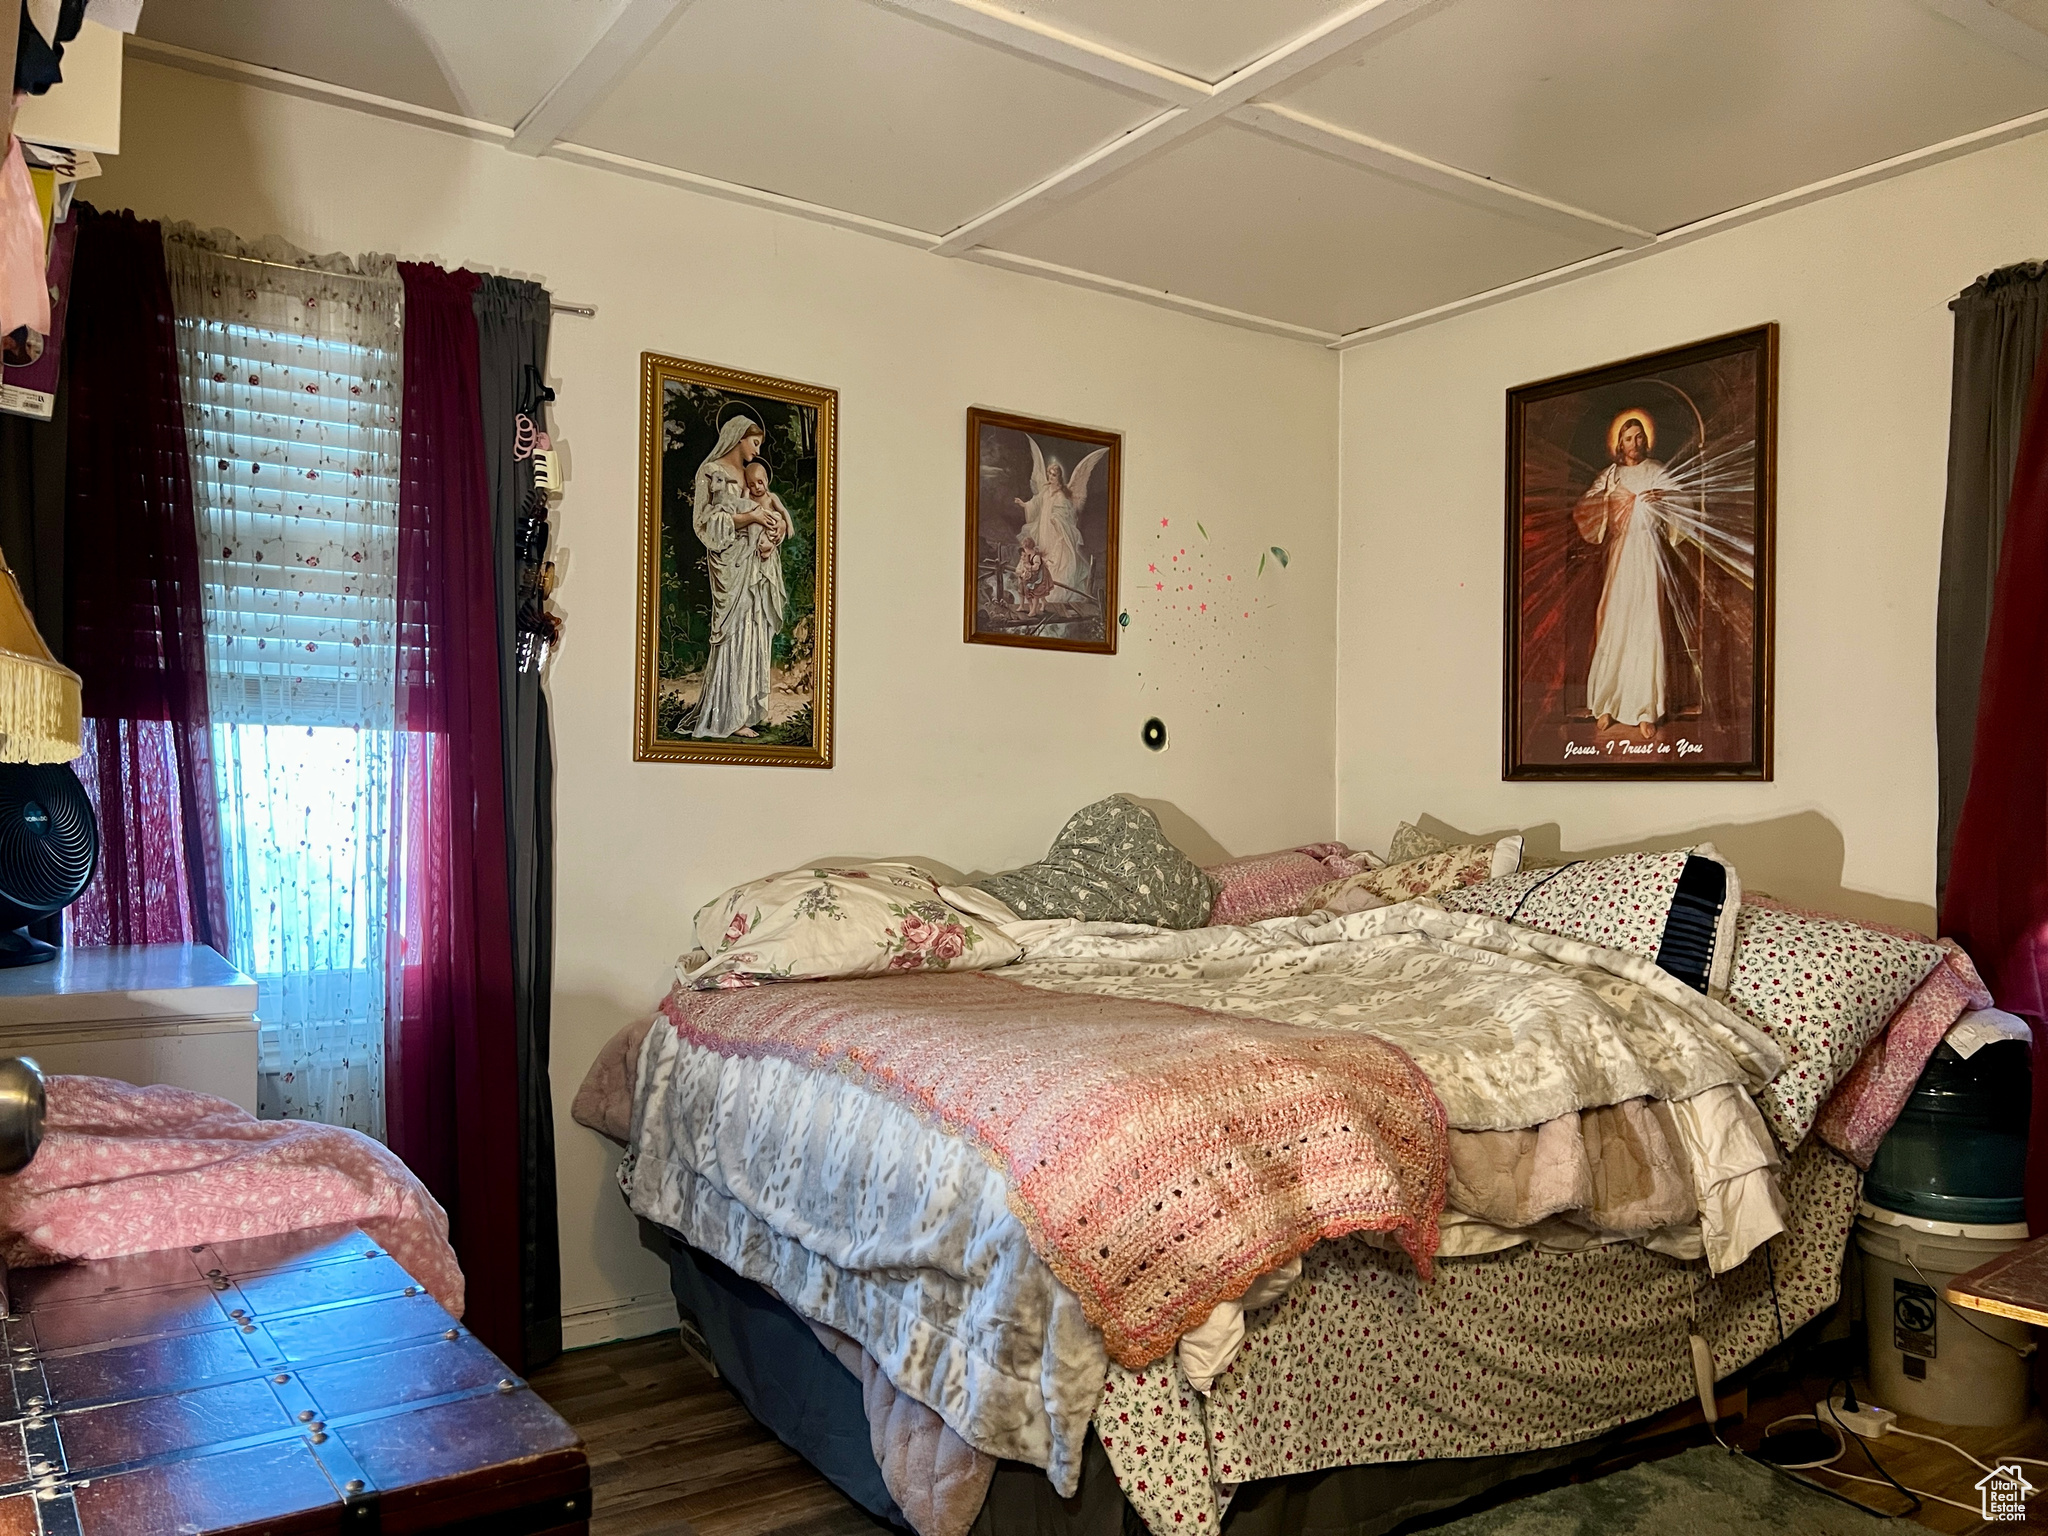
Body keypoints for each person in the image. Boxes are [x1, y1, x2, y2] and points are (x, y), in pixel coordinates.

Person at [1574, 414, 1682, 738]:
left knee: (1646, 626)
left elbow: (1684, 502)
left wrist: (1663, 500)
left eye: (1638, 437)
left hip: (1647, 554)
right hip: (1621, 556)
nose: (1633, 444)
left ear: (1644, 441)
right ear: (1618, 444)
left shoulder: (1656, 471)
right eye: (1627, 438)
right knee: (1616, 624)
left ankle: (1645, 708)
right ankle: (1607, 703)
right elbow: (1586, 508)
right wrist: (1608, 500)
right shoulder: (1610, 475)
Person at [691, 415, 785, 740]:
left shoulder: (750, 477)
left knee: (754, 631)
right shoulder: (711, 471)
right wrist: (749, 517)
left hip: (756, 566)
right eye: (755, 442)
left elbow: (771, 512)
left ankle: (744, 710)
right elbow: (704, 523)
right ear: (739, 437)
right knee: (735, 633)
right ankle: (725, 714)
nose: (757, 450)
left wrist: (775, 534)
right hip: (730, 567)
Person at [1015, 437, 1109, 628]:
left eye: (1053, 476)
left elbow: (1067, 513)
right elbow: (1036, 503)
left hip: (1056, 531)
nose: (1050, 479)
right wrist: (1024, 504)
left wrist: (1056, 520)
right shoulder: (1046, 490)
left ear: (1059, 477)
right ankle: (1037, 592)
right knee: (1041, 555)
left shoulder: (1064, 494)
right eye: (1049, 475)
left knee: (1057, 559)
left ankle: (1051, 591)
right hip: (1044, 528)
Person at [1014, 535, 1052, 616]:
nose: (1024, 550)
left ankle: (1034, 610)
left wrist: (1029, 567)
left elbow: (1036, 567)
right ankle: (1044, 602)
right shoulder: (1029, 555)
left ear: (1027, 548)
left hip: (1040, 576)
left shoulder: (1036, 557)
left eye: (1024, 548)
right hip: (1034, 575)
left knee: (1035, 592)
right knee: (1032, 590)